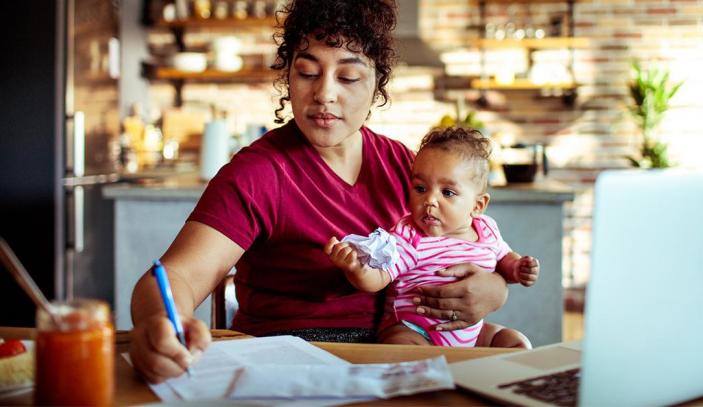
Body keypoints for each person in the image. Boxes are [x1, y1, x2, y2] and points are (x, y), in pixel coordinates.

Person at [129, 0, 512, 384]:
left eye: (348, 78)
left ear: (377, 83)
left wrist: (494, 287)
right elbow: (175, 276)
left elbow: (455, 245)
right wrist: (160, 324)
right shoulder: (259, 173)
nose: (324, 94)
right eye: (308, 72)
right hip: (288, 365)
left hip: (394, 353)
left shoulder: (406, 167)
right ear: (288, 76)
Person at [325, 127, 539, 348]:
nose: (430, 200)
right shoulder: (409, 236)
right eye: (420, 188)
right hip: (415, 328)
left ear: (477, 205)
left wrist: (518, 267)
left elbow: (504, 259)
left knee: (516, 342)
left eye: (447, 192)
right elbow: (379, 278)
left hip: (469, 334)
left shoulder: (486, 230)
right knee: (402, 346)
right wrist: (356, 268)